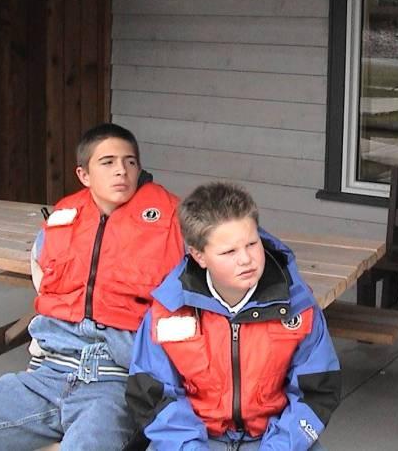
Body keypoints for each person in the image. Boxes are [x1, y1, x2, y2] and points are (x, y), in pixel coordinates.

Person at [0, 123, 185, 450]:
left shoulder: (174, 220)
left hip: (115, 383)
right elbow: (43, 281)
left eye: (130, 161)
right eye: (107, 162)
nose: (121, 170)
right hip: (47, 374)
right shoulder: (63, 218)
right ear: (84, 174)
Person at [125, 181, 341, 450]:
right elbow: (152, 393)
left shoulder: (298, 305)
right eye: (229, 252)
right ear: (199, 256)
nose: (246, 259)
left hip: (277, 439)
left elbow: (316, 390)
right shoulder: (167, 311)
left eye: (252, 244)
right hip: (195, 440)